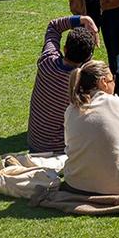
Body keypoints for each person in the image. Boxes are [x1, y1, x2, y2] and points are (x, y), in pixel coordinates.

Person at [62, 60, 119, 195]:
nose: (114, 84)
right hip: (116, 186)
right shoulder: (116, 102)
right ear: (103, 82)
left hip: (76, 183)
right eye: (112, 80)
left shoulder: (71, 110)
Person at [27, 15, 99, 154]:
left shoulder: (47, 61)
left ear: (65, 49)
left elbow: (54, 26)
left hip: (34, 143)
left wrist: (83, 19)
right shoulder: (83, 85)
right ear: (89, 58)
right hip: (59, 151)